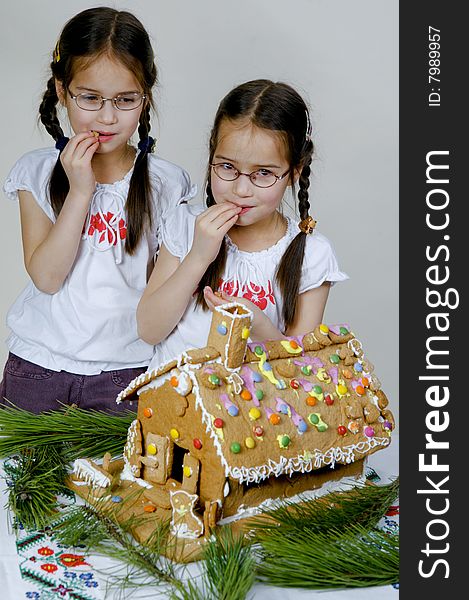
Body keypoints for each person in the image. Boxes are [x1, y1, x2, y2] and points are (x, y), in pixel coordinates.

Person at [0, 7, 195, 413]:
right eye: (89, 98)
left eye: (125, 100)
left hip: (127, 373)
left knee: (121, 479)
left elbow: (164, 299)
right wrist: (80, 191)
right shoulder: (35, 172)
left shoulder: (166, 184)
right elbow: (47, 277)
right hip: (38, 367)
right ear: (61, 90)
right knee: (20, 477)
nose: (107, 117)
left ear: (146, 97)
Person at [137, 79, 347, 370]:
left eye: (263, 173)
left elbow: (301, 371)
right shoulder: (185, 224)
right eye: (227, 167)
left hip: (253, 413)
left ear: (294, 171)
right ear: (212, 153)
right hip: (170, 405)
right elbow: (149, 330)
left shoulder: (312, 254)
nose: (241, 189)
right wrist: (198, 257)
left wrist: (257, 324)